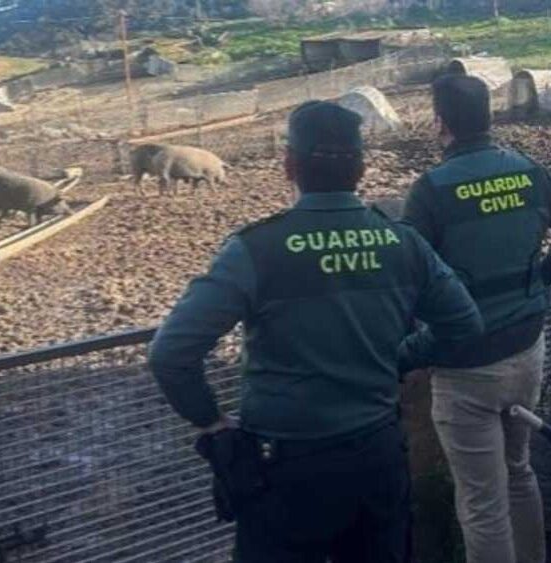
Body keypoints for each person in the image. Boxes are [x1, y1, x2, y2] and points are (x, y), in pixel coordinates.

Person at [149, 101, 484, 563]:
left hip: (285, 470)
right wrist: (401, 357)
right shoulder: (403, 242)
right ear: (362, 168)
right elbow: (464, 323)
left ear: (289, 166)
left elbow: (170, 354)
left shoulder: (256, 248)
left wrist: (211, 421)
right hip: (379, 457)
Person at [402, 74, 551, 563]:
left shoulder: (430, 191)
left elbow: (407, 286)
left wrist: (410, 354)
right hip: (528, 349)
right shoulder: (530, 172)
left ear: (441, 124)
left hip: (465, 367)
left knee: (482, 501)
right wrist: (538, 284)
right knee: (520, 471)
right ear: (489, 117)